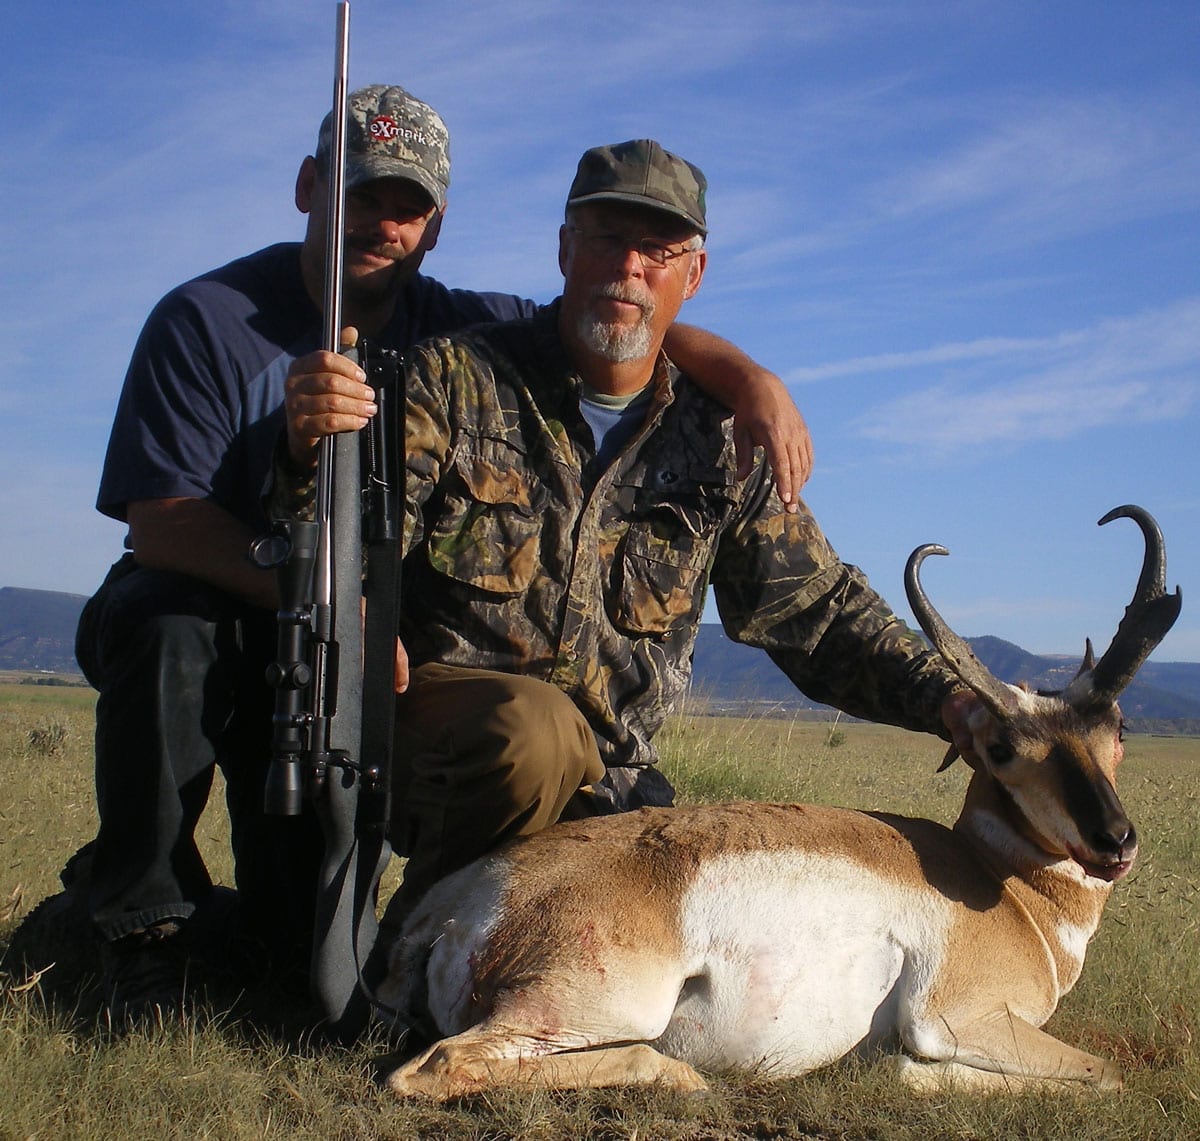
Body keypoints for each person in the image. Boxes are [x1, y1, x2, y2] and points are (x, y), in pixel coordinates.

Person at [66, 87, 813, 1022]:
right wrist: (327, 599)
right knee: (168, 624)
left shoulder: (456, 329)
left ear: (436, 226)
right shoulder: (204, 320)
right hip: (236, 604)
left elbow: (616, 316)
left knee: (293, 955)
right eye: (363, 195)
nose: (384, 224)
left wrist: (750, 378)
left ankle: (296, 940)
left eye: (407, 207)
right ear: (309, 187)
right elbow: (163, 524)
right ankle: (147, 929)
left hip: (348, 647)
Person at [279, 138, 979, 934]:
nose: (629, 267)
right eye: (607, 238)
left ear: (694, 274)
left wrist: (955, 699)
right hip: (443, 747)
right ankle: (424, 943)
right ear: (565, 249)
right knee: (534, 731)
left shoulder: (720, 442)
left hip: (612, 793)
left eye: (658, 249)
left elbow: (818, 612)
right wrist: (320, 498)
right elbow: (337, 535)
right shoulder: (452, 381)